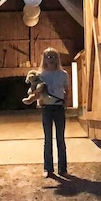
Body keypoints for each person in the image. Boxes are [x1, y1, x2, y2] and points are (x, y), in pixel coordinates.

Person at [36, 47, 69, 178]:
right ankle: (48, 169)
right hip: (47, 109)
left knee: (60, 139)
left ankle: (63, 168)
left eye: (54, 56)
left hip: (59, 107)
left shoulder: (63, 74)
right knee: (47, 139)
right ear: (44, 58)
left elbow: (67, 90)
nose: (51, 59)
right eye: (48, 56)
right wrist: (39, 100)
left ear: (57, 58)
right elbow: (37, 92)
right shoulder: (40, 75)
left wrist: (65, 101)